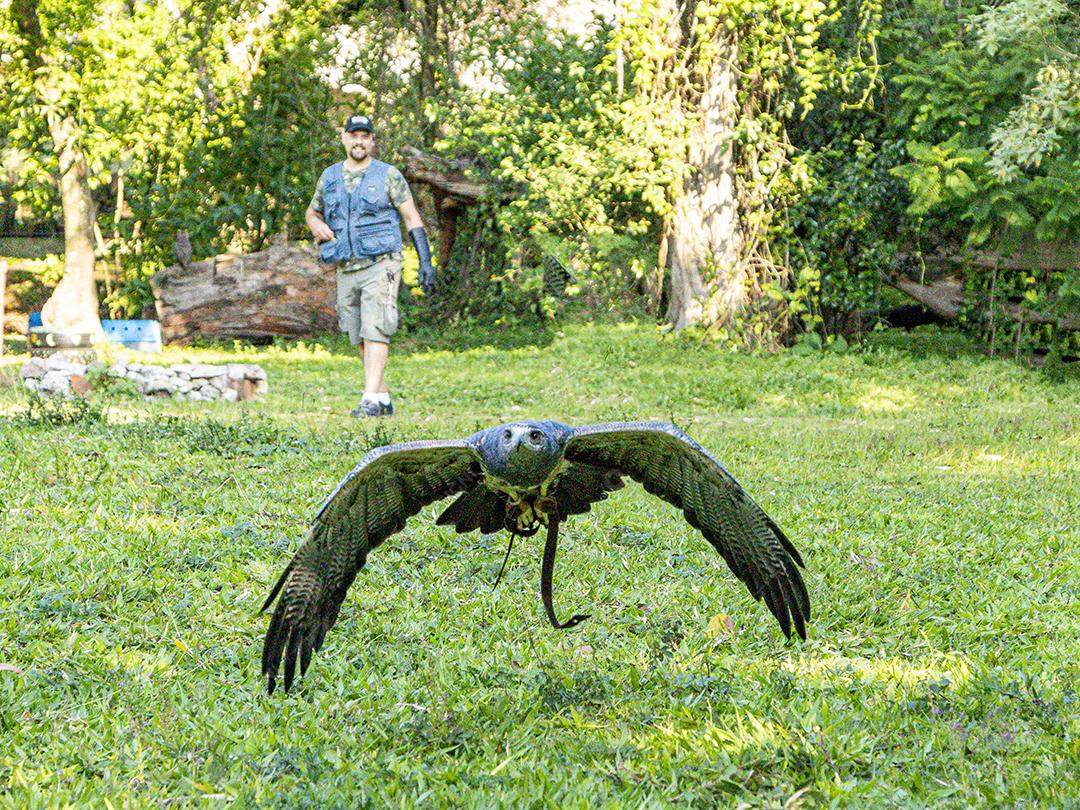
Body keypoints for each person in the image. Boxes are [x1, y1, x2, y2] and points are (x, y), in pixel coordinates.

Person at [306, 113, 436, 418]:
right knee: (358, 333)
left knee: (377, 327)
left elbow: (411, 217)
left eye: (365, 136)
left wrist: (426, 261)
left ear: (372, 141)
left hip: (382, 263)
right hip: (347, 266)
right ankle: (383, 397)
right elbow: (312, 212)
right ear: (344, 138)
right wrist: (315, 225)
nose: (359, 141)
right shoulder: (330, 177)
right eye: (354, 135)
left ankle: (368, 400)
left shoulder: (388, 175)